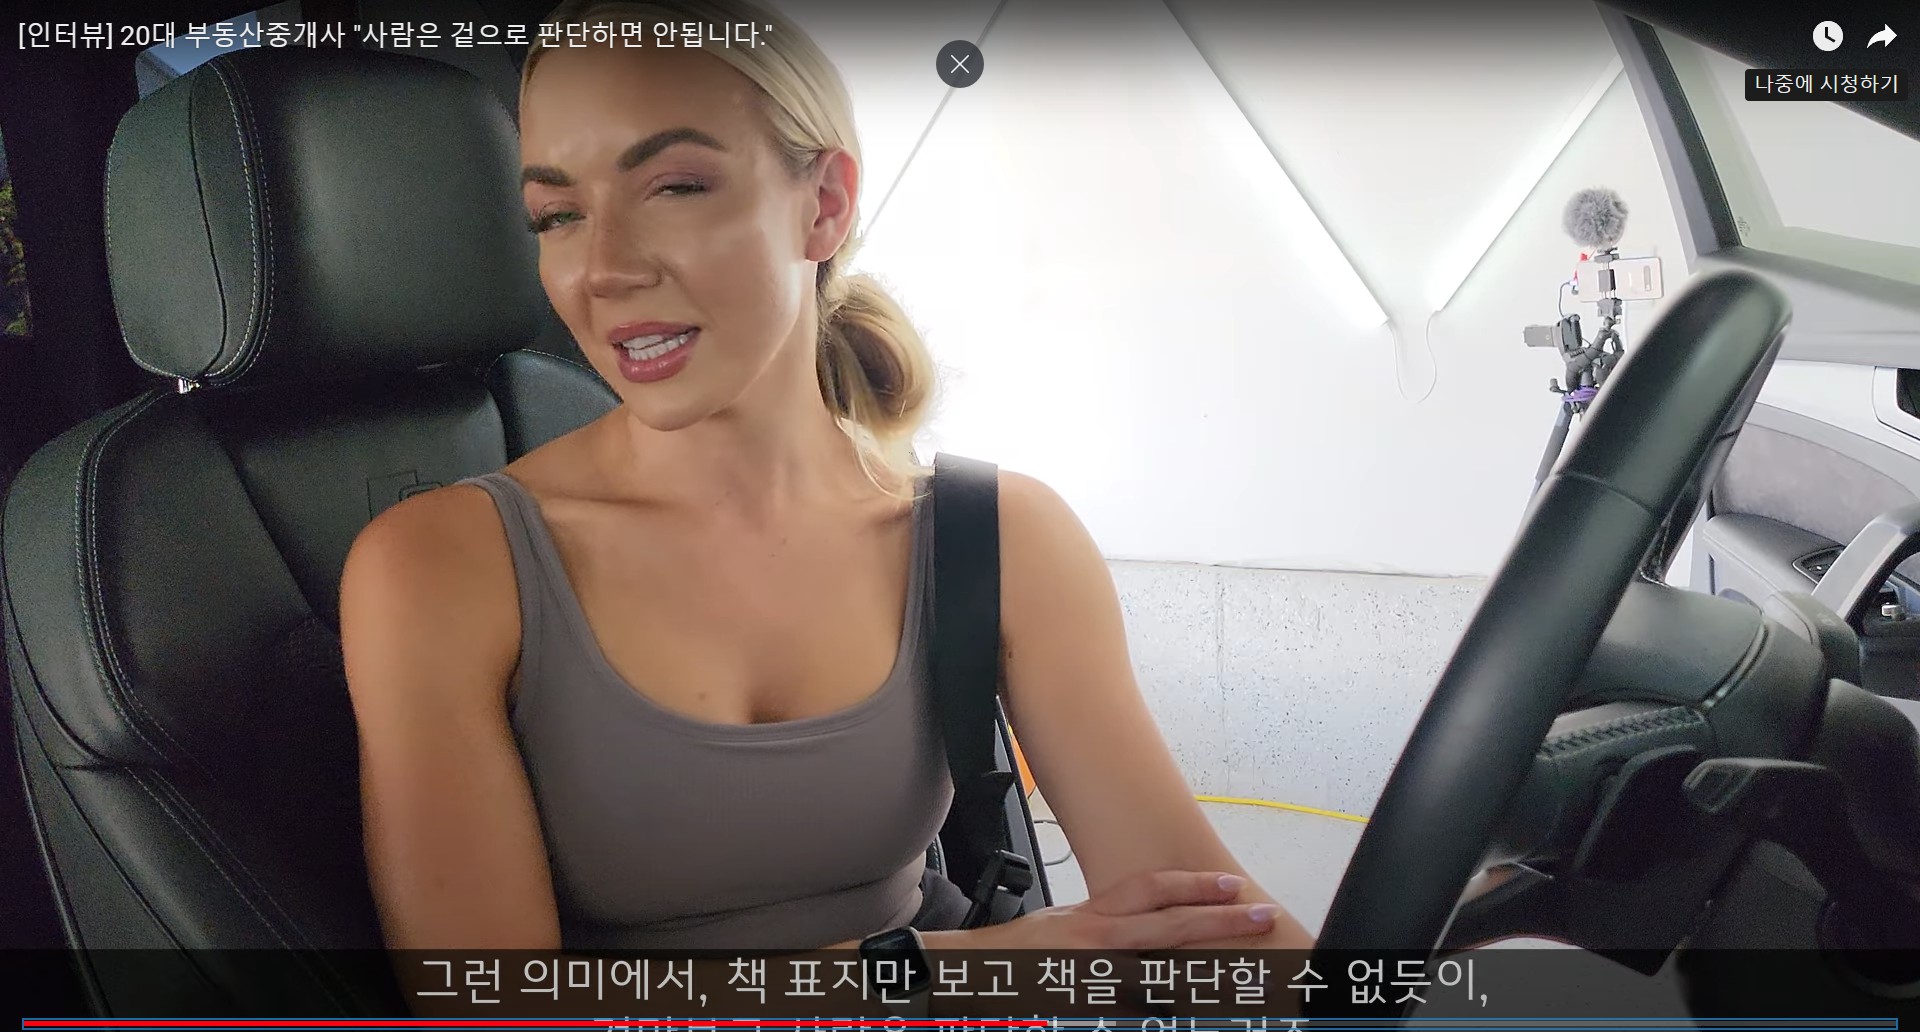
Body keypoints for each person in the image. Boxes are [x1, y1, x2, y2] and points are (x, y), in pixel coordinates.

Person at [339, 0, 1315, 963]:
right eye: (558, 216)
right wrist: (950, 972)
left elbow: (1212, 931)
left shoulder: (998, 534)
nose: (602, 270)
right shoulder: (438, 567)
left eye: (675, 187)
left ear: (826, 204)